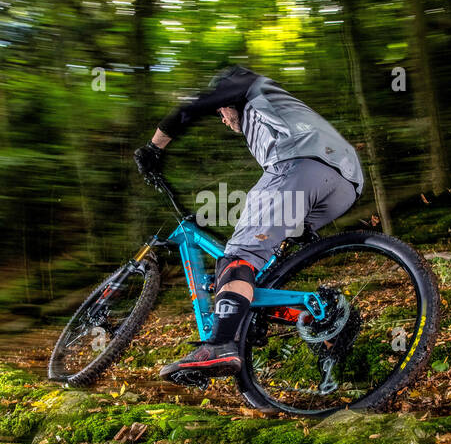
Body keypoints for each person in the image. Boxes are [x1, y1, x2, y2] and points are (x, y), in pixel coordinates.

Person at [134, 65, 364, 383]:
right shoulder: (274, 112)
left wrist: (154, 148)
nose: (226, 121)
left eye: (222, 114)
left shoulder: (244, 85)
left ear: (226, 99)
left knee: (237, 257)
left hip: (298, 165)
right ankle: (321, 321)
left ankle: (219, 345)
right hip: (345, 183)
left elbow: (191, 107)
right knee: (263, 267)